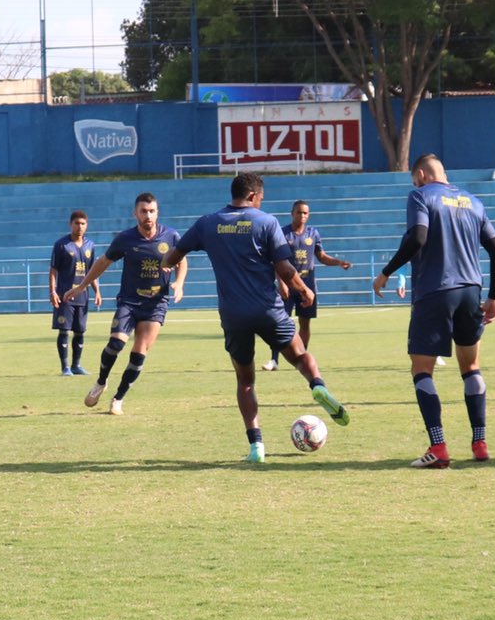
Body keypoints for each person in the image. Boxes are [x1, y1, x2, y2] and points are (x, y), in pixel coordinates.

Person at [170, 174, 351, 462]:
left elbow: (174, 255)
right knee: (301, 355)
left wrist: (169, 267)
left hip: (233, 314)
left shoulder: (207, 223)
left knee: (245, 381)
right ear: (254, 195)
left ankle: (256, 447)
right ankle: (318, 386)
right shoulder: (266, 222)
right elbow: (284, 267)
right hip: (268, 309)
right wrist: (304, 291)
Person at [375, 154, 495, 468]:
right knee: (470, 367)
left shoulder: (420, 196)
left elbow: (417, 238)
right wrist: (494, 296)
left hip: (434, 291)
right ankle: (480, 442)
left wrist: (386, 272)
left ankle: (439, 447)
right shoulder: (473, 202)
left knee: (421, 370)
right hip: (471, 291)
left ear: (420, 174)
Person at [64, 193, 187, 415]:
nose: (148, 215)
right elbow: (103, 262)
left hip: (156, 302)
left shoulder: (171, 236)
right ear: (135, 213)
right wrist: (82, 286)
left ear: (157, 213)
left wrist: (178, 283)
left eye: (152, 211)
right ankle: (101, 382)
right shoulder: (125, 239)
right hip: (129, 301)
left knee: (140, 351)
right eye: (143, 211)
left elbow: (182, 261)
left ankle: (118, 398)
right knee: (115, 345)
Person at [261, 199, 351, 372]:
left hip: (307, 286)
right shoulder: (283, 233)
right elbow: (276, 260)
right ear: (292, 213)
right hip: (288, 285)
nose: (302, 215)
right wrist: (282, 283)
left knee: (305, 324)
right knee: (278, 324)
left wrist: (339, 262)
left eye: (305, 213)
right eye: (299, 212)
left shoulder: (313, 233)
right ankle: (274, 360)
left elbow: (322, 256)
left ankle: (302, 357)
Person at [49, 210, 101, 377]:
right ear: (70, 224)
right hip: (65, 295)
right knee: (64, 330)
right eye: (76, 223)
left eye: (83, 224)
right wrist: (53, 291)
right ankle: (65, 367)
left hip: (82, 296)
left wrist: (97, 291)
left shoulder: (90, 246)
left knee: (80, 331)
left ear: (87, 225)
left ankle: (76, 365)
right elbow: (53, 270)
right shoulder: (61, 245)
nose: (80, 226)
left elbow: (93, 272)